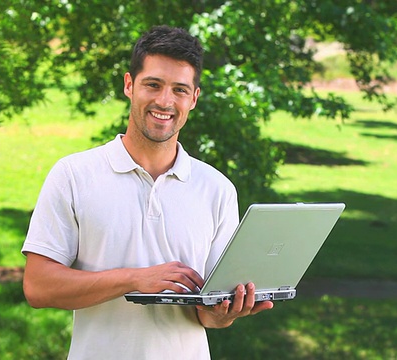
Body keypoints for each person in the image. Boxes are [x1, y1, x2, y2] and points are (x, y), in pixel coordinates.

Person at [21, 25, 274, 359]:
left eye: (180, 90)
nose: (165, 101)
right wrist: (134, 279)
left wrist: (225, 311)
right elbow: (38, 287)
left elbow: (206, 314)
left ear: (194, 98)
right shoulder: (73, 175)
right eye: (153, 85)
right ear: (129, 85)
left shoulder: (217, 189)